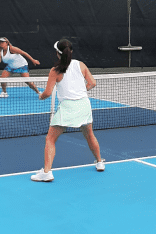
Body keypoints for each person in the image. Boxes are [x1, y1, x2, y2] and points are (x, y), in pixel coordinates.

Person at [31, 39, 105, 182]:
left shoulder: (55, 70)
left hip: (67, 108)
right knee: (89, 135)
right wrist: (80, 91)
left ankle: (46, 172)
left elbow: (47, 93)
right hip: (84, 105)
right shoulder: (81, 65)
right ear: (70, 51)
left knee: (50, 139)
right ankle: (100, 162)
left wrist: (41, 96)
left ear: (57, 53)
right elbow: (92, 83)